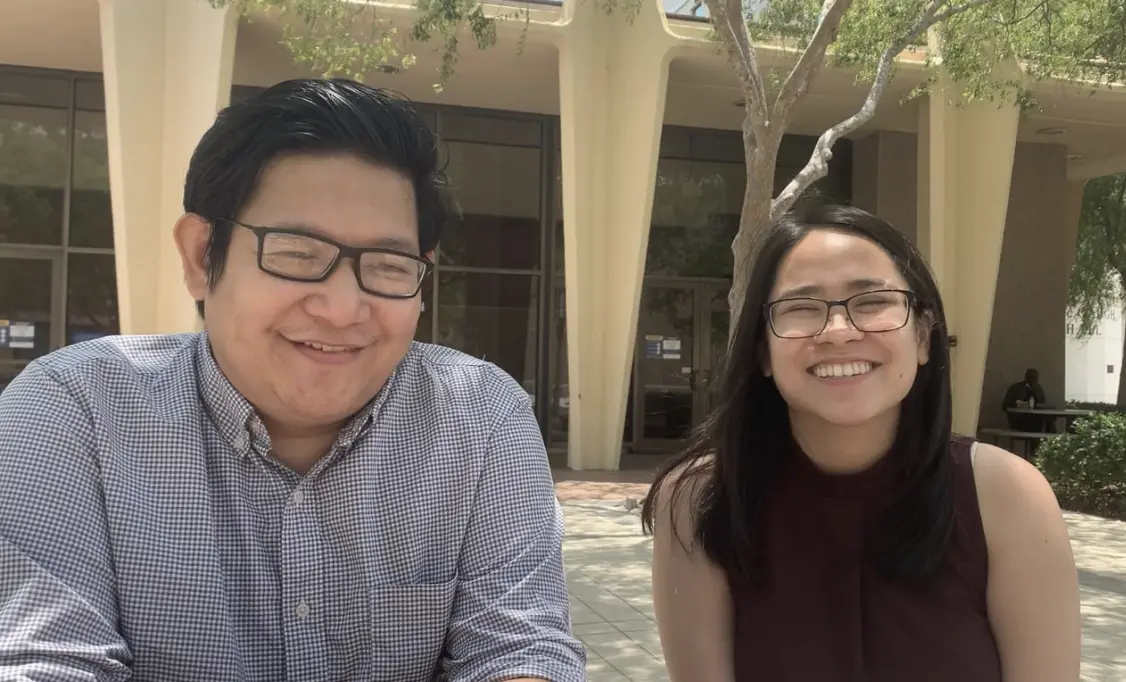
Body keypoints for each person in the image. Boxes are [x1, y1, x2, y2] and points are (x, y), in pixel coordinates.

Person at [0, 79, 585, 681]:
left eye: (387, 265)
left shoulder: (480, 417)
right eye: (298, 254)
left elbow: (517, 649)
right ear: (202, 256)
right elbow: (44, 660)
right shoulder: (74, 411)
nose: (341, 309)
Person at [641, 203, 1080, 681]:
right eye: (802, 308)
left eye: (872, 302)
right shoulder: (700, 501)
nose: (838, 332)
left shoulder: (1004, 495)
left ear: (924, 337)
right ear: (762, 352)